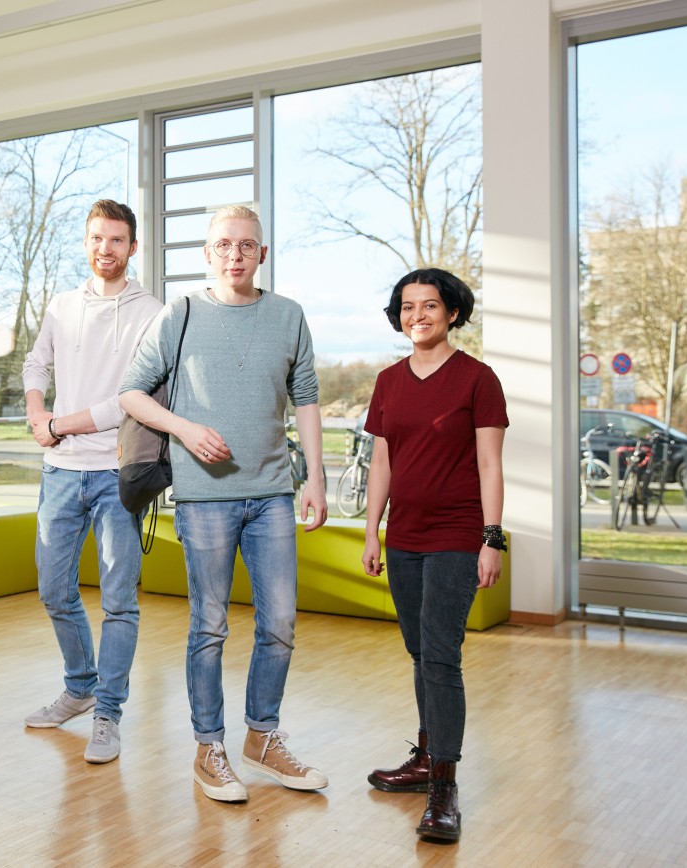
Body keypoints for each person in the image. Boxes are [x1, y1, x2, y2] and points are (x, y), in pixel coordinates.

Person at [119, 205, 328, 803]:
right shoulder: (179, 314)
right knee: (208, 627)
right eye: (223, 245)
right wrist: (184, 429)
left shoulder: (289, 316)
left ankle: (261, 737)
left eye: (246, 245)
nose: (234, 254)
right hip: (204, 497)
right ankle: (209, 747)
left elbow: (307, 398)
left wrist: (314, 476)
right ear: (208, 254)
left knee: (280, 624)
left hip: (272, 494)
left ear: (262, 253)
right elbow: (131, 392)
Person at [360, 267, 508, 842]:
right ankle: (426, 756)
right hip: (405, 537)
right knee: (420, 652)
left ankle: (443, 786)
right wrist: (373, 530)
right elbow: (382, 463)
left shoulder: (478, 379)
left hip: (457, 533)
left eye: (429, 305)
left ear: (452, 311)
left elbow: (491, 464)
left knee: (442, 656)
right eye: (406, 306)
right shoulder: (388, 381)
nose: (417, 315)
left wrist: (491, 537)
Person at [21, 200, 163, 764]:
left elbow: (130, 399)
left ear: (133, 247)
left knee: (120, 603)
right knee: (55, 590)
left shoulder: (152, 311)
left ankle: (108, 712)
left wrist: (59, 424)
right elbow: (37, 365)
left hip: (116, 474)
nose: (106, 249)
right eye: (97, 238)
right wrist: (37, 414)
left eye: (117, 240)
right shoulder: (61, 305)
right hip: (60, 473)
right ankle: (79, 688)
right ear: (86, 243)